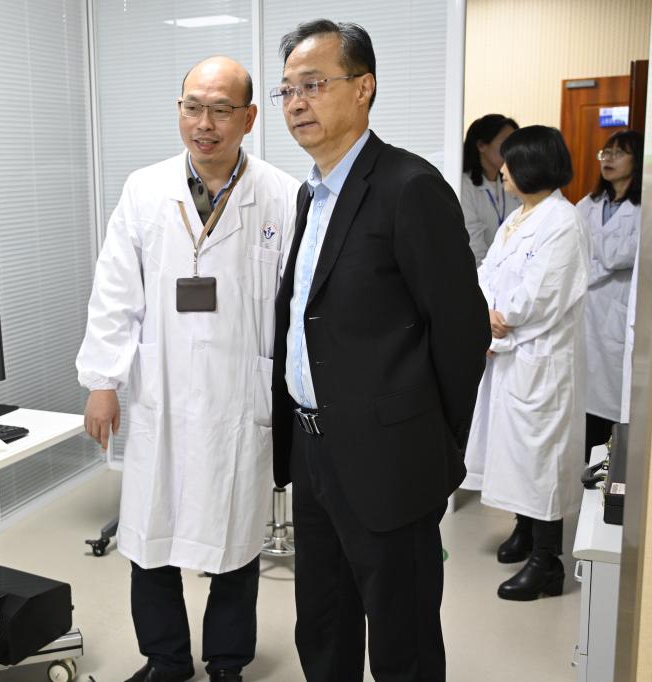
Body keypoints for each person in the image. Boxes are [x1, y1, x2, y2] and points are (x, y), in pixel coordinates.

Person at [269, 20, 490, 681]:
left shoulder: (408, 187)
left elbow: (462, 329)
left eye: (313, 85)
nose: (297, 103)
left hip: (391, 459)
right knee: (323, 624)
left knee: (403, 640)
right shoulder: (311, 193)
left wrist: (433, 444)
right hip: (313, 448)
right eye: (287, 90)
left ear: (363, 87)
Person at [76, 56, 299, 682]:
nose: (205, 123)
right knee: (150, 532)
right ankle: (167, 660)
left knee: (237, 538)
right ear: (179, 110)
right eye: (193, 107)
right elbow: (115, 291)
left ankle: (227, 664)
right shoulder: (145, 189)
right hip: (162, 389)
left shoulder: (282, 195)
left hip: (240, 392)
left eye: (221, 110)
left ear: (248, 118)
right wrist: (102, 381)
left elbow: (299, 306)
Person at [464, 125, 589, 601]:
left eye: (510, 162)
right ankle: (525, 527)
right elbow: (486, 272)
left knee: (542, 457)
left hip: (540, 357)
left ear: (534, 165)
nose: (502, 170)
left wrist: (503, 318)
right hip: (510, 353)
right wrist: (484, 311)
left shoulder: (563, 221)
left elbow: (545, 292)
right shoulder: (519, 217)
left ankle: (547, 560)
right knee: (514, 451)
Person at [577, 130, 643, 462]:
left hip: (617, 314)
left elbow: (621, 255)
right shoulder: (586, 205)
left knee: (612, 406)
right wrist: (599, 254)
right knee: (583, 404)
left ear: (637, 160)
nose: (609, 159)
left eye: (618, 153)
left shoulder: (643, 208)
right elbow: (575, 253)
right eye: (606, 152)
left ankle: (606, 475)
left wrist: (595, 249)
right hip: (585, 313)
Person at [461, 114, 522, 265]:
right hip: (479, 272)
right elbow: (473, 246)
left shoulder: (512, 183)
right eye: (506, 142)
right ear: (481, 145)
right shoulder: (463, 186)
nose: (512, 150)